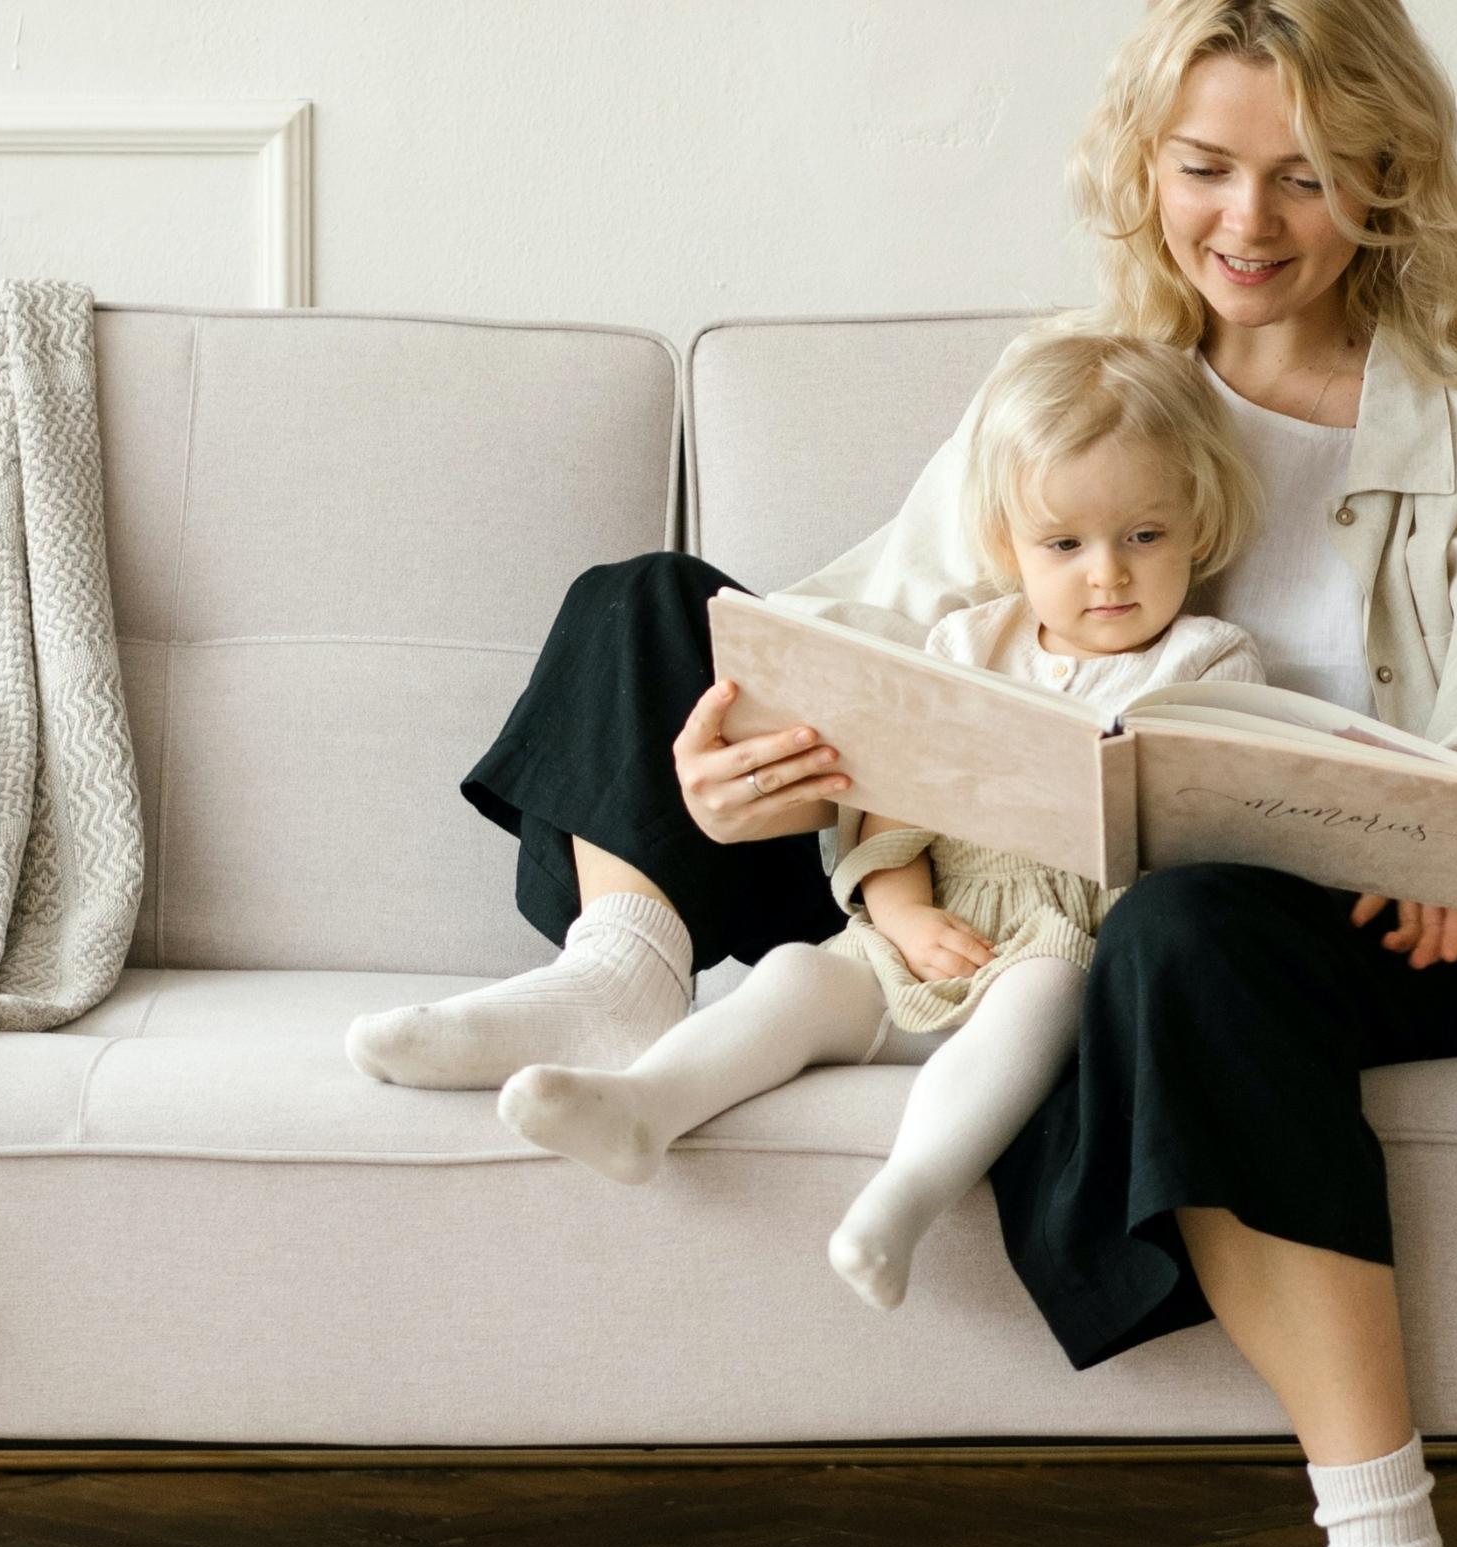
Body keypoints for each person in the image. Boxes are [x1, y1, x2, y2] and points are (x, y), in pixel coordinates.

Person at [346, 0, 1457, 1547]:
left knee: (1187, 922)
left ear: (1388, 180)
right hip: (983, 882)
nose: (1251, 221)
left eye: (1308, 175)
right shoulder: (1083, 385)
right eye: (1208, 168)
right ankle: (627, 967)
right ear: (1147, 170)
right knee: (647, 607)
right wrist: (737, 747)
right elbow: (864, 625)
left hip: (1319, 932)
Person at [494, 326, 1268, 1315]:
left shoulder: (1209, 660)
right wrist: (899, 912)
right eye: (1065, 546)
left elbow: (1216, 825)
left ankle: (902, 1199)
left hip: (1071, 935)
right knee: (800, 976)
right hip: (936, 910)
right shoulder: (965, 639)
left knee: (1033, 1010)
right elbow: (892, 799)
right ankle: (642, 1105)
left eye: (1144, 537)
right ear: (1008, 548)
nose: (1106, 574)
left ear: (1198, 526)